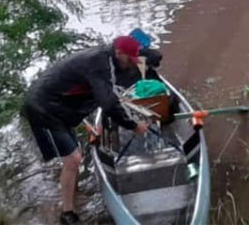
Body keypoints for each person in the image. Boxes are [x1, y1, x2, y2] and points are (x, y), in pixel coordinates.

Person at [20, 35, 157, 224]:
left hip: (62, 107)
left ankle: (72, 194)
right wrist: (133, 126)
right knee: (73, 158)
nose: (131, 64)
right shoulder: (100, 64)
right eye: (129, 60)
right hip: (43, 109)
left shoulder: (110, 59)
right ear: (119, 53)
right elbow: (108, 103)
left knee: (74, 158)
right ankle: (67, 214)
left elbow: (110, 96)